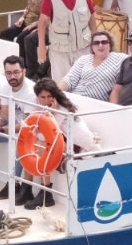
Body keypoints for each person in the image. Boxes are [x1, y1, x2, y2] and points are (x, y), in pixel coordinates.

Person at [15, 78, 95, 209]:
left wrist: (53, 111)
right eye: (42, 97)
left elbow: (49, 134)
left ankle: (46, 192)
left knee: (41, 145)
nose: (46, 100)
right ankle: (31, 188)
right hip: (70, 142)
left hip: (85, 148)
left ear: (54, 96)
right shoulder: (47, 107)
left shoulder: (61, 109)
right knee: (36, 143)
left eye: (49, 96)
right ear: (37, 97)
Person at [0, 56, 36, 198]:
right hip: (13, 129)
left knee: (19, 144)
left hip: (29, 132)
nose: (12, 76)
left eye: (16, 72)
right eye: (8, 73)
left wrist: (2, 129)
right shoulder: (5, 86)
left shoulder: (31, 92)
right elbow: (4, 116)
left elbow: (27, 125)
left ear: (24, 71)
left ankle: (13, 184)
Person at [37, 0, 93, 84]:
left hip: (83, 48)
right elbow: (42, 22)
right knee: (61, 84)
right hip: (60, 51)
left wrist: (96, 39)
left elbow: (92, 17)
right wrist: (42, 47)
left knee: (84, 82)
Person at [63, 30, 127, 101]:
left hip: (96, 104)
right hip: (74, 97)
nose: (100, 45)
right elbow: (69, 80)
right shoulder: (83, 59)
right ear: (92, 47)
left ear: (110, 45)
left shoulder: (120, 59)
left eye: (104, 42)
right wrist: (56, 95)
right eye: (96, 43)